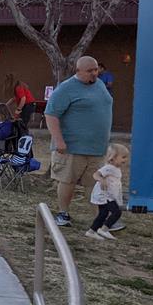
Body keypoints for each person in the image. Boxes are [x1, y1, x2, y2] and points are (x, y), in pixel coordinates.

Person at [45, 55, 114, 227]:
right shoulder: (66, 88)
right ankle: (63, 213)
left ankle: (99, 219)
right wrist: (59, 140)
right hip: (72, 147)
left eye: (96, 69)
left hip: (97, 148)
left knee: (95, 183)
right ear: (78, 71)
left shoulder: (99, 84)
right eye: (89, 71)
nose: (94, 74)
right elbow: (51, 114)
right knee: (68, 181)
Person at [85, 143, 129, 240]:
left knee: (103, 214)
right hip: (104, 196)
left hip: (109, 195)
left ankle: (91, 231)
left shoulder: (116, 168)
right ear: (113, 158)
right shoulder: (108, 168)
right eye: (123, 157)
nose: (125, 160)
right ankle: (104, 229)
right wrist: (102, 180)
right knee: (116, 212)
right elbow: (96, 175)